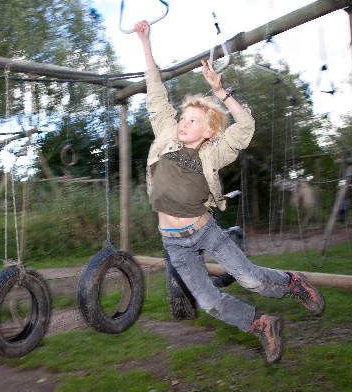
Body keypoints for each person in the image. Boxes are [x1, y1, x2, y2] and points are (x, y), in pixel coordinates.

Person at [134, 20, 325, 363]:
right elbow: (155, 90)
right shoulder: (165, 133)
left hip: (204, 231)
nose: (183, 123)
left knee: (251, 280)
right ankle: (261, 324)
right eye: (184, 117)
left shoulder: (213, 153)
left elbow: (245, 128)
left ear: (208, 133)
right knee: (208, 302)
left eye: (193, 121)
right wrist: (145, 40)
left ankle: (293, 283)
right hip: (173, 242)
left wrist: (221, 93)